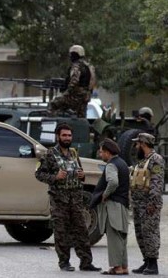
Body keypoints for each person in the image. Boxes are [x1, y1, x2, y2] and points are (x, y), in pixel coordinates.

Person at [35, 123, 100, 272]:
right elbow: (39, 174)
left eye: (69, 135)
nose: (67, 138)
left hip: (76, 199)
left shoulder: (73, 153)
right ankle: (64, 262)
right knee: (61, 232)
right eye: (64, 135)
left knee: (81, 231)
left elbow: (79, 171)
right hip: (59, 200)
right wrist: (55, 177)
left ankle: (86, 262)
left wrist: (82, 176)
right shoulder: (50, 154)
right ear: (58, 137)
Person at [90, 139, 130, 275]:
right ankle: (123, 267)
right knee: (120, 238)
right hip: (122, 205)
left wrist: (104, 195)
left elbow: (113, 182)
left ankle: (117, 267)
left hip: (113, 206)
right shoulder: (123, 163)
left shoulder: (111, 165)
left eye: (101, 152)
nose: (100, 155)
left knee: (113, 238)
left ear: (107, 152)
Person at [130, 133, 165, 275]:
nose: (136, 146)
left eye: (137, 144)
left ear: (143, 144)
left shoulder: (156, 159)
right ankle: (146, 261)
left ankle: (153, 264)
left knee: (150, 233)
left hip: (149, 204)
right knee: (140, 233)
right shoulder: (142, 160)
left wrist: (152, 202)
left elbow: (157, 183)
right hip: (138, 203)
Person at [48, 45, 95, 118]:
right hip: (85, 97)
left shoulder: (76, 66)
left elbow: (74, 81)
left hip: (75, 96)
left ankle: (52, 125)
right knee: (81, 117)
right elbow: (92, 82)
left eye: (72, 55)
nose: (70, 57)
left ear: (76, 55)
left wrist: (66, 92)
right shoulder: (89, 66)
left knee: (53, 104)